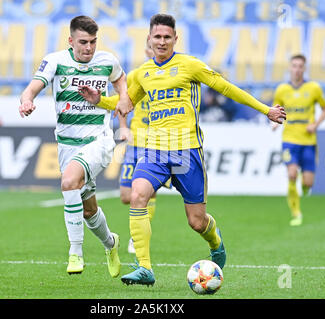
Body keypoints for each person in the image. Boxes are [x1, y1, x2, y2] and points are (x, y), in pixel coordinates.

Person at [79, 13, 286, 286]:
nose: (162, 41)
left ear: (176, 39)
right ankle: (144, 268)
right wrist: (100, 100)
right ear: (149, 39)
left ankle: (216, 243)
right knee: (138, 194)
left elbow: (226, 88)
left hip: (187, 151)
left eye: (167, 37)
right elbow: (125, 104)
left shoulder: (190, 65)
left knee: (197, 221)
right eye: (157, 36)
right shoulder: (143, 74)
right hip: (154, 150)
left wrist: (265, 109)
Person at [18, 15, 133, 277]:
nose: (89, 48)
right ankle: (110, 243)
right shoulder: (56, 61)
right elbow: (32, 88)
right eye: (83, 42)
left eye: (93, 42)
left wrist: (123, 104)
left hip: (99, 140)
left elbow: (121, 78)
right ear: (71, 41)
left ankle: (75, 252)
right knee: (89, 210)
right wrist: (26, 100)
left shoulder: (106, 61)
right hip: (67, 144)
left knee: (69, 180)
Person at [116, 40, 171, 254]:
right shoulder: (136, 76)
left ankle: (136, 238)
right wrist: (123, 127)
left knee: (149, 193)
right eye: (149, 47)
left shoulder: (170, 77)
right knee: (125, 196)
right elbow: (122, 103)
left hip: (156, 144)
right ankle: (140, 228)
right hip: (135, 143)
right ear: (146, 50)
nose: (153, 50)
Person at [272, 54, 325, 226]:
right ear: (290, 68)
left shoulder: (314, 88)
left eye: (300, 66)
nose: (297, 69)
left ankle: (305, 187)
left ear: (304, 69)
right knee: (291, 174)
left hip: (308, 141)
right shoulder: (282, 89)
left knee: (307, 182)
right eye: (294, 66)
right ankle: (296, 213)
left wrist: (315, 124)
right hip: (289, 139)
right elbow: (275, 109)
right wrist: (275, 123)